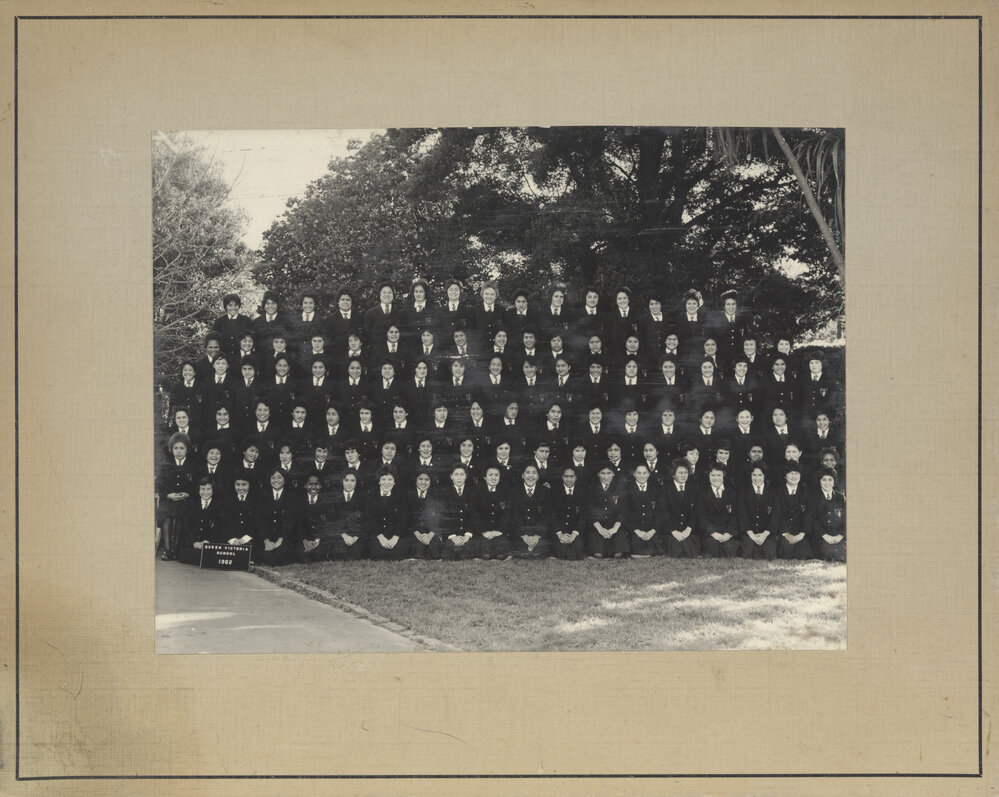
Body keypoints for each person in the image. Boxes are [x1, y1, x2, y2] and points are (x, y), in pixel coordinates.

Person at [155, 432, 196, 561]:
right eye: (176, 448)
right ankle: (167, 550)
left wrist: (187, 493)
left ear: (187, 450)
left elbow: (196, 484)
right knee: (166, 515)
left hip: (185, 499)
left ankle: (176, 549)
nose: (179, 451)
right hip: (168, 499)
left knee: (182, 514)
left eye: (182, 448)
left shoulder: (192, 465)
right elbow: (159, 483)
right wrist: (168, 495)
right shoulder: (165, 465)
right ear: (171, 449)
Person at [175, 477, 226, 565]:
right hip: (192, 542)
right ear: (198, 490)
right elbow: (187, 526)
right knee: (186, 555)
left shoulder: (219, 505)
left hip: (209, 542)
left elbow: (218, 527)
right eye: (203, 489)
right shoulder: (190, 504)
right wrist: (194, 542)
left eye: (208, 489)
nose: (205, 492)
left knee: (211, 556)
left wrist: (208, 541)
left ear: (213, 490)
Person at [584, 463, 628, 558]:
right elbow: (589, 509)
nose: (606, 476)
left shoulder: (620, 487)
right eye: (603, 473)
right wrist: (600, 529)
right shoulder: (591, 488)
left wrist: (615, 528)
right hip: (597, 526)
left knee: (618, 555)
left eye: (609, 473)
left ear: (613, 474)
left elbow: (623, 510)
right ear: (598, 474)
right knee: (598, 555)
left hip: (615, 525)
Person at [510, 464, 552, 559]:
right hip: (520, 534)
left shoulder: (545, 491)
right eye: (527, 472)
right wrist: (524, 536)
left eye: (534, 473)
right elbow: (514, 516)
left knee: (542, 547)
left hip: (538, 534)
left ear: (538, 476)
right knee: (519, 547)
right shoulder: (514, 491)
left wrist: (537, 535)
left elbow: (546, 516)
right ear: (522, 475)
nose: (531, 476)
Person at [256, 468, 296, 565]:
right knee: (261, 555)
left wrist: (280, 540)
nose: (276, 480)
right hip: (266, 538)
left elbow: (289, 521)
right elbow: (260, 520)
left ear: (285, 480)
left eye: (279, 477)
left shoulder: (291, 496)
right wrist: (266, 541)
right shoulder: (263, 495)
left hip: (284, 538)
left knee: (279, 556)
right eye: (273, 478)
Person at [774, 462, 814, 560]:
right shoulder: (778, 491)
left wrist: (801, 534)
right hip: (784, 531)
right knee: (786, 551)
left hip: (800, 531)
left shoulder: (806, 491)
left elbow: (808, 514)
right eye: (791, 473)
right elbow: (777, 514)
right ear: (785, 475)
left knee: (804, 554)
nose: (794, 476)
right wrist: (786, 534)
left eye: (797, 473)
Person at [738, 464, 778, 560]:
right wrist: (751, 534)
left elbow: (776, 515)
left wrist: (765, 534)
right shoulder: (743, 491)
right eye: (754, 475)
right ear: (750, 476)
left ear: (765, 476)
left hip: (766, 533)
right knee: (748, 553)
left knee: (769, 555)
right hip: (749, 532)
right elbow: (742, 513)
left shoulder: (772, 492)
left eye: (760, 475)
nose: (757, 478)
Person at [368, 467, 409, 560]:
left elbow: (403, 518)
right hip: (378, 534)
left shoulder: (401, 495)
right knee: (376, 551)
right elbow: (371, 518)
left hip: (396, 534)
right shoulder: (371, 495)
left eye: (390, 479)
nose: (387, 482)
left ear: (394, 482)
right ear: (379, 481)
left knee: (399, 551)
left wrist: (395, 538)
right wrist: (381, 538)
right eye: (383, 479)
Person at [624, 463, 665, 556]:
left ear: (649, 474)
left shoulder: (656, 489)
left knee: (656, 548)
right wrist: (637, 531)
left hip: (651, 530)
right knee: (635, 545)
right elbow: (626, 513)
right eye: (639, 473)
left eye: (644, 473)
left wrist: (653, 530)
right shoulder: (627, 489)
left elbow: (660, 512)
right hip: (635, 530)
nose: (642, 476)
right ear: (634, 474)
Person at [663, 459, 699, 558]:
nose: (684, 475)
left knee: (691, 547)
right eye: (680, 473)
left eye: (686, 472)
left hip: (688, 530)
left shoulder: (693, 488)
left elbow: (696, 512)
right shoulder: (665, 489)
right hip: (672, 530)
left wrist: (688, 529)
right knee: (675, 548)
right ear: (673, 474)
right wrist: (673, 531)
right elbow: (664, 513)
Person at [439, 464, 476, 560]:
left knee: (468, 552)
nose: (459, 478)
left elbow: (474, 516)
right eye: (456, 474)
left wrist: (468, 534)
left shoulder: (472, 492)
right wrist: (453, 536)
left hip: (467, 534)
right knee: (450, 553)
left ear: (466, 476)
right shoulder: (445, 493)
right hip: (452, 535)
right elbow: (443, 517)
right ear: (451, 476)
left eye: (462, 474)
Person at [550, 466, 586, 560]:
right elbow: (552, 515)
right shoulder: (554, 491)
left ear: (576, 477)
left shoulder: (582, 492)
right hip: (559, 531)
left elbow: (583, 516)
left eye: (572, 476)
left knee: (577, 549)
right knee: (561, 551)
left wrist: (574, 534)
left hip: (575, 531)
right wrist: (560, 534)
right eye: (566, 476)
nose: (569, 479)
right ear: (562, 477)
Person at [407, 469, 444, 560]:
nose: (423, 482)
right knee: (414, 546)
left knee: (435, 546)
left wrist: (430, 535)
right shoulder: (408, 495)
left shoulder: (437, 496)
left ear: (431, 481)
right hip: (414, 532)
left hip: (431, 532)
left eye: (427, 479)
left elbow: (440, 518)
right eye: (420, 479)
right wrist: (417, 534)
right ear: (415, 480)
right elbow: (406, 518)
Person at [330, 471, 366, 560]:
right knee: (339, 552)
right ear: (342, 481)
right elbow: (332, 519)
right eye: (346, 480)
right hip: (341, 534)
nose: (349, 483)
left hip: (358, 535)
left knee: (356, 553)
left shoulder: (363, 497)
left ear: (356, 482)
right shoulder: (335, 497)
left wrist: (356, 536)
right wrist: (344, 535)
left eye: (352, 481)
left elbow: (366, 520)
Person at [812, 469, 846, 562]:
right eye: (824, 480)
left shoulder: (841, 497)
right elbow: (812, 519)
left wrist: (840, 536)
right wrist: (824, 535)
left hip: (838, 536)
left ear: (834, 482)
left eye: (830, 480)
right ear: (820, 481)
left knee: (844, 553)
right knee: (828, 553)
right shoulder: (814, 497)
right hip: (821, 536)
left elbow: (847, 520)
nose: (827, 483)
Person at [212, 293, 254, 359]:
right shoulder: (219, 322)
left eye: (236, 305)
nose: (233, 308)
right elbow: (213, 341)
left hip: (241, 359)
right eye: (230, 305)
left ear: (239, 306)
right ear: (225, 306)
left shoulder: (246, 321)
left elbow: (252, 339)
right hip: (224, 359)